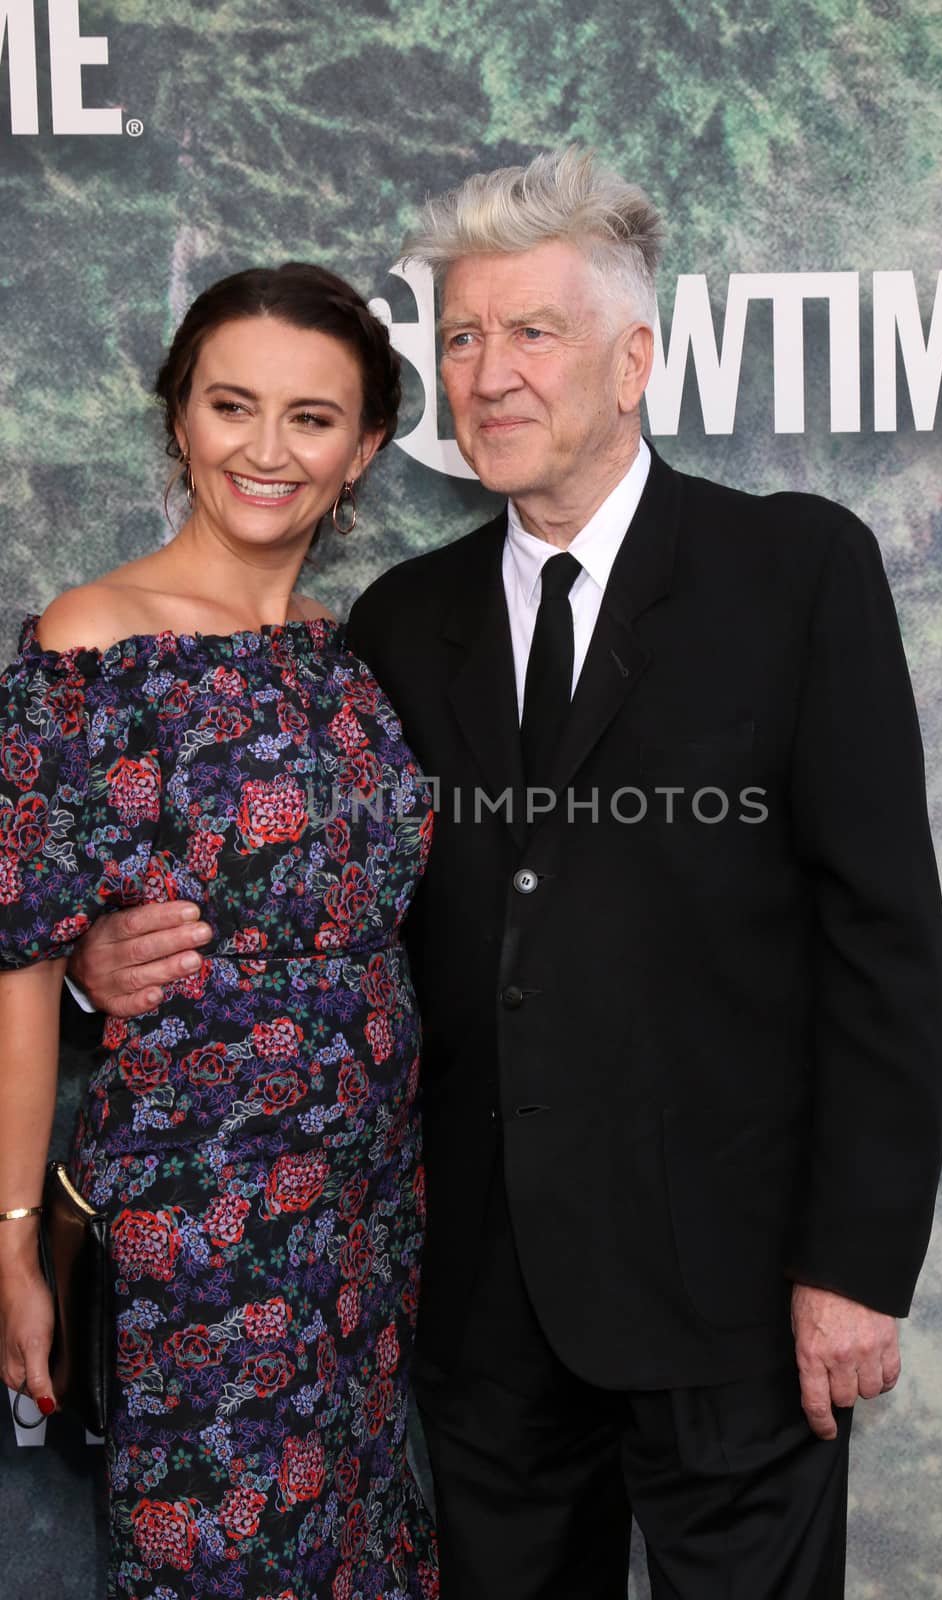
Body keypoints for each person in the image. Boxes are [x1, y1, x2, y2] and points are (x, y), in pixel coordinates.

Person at [66, 151, 942, 1599]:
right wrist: (110, 962)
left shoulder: (793, 572)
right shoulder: (402, 626)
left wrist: (853, 1266)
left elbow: (887, 948)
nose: (489, 376)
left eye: (533, 334)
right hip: (476, 1313)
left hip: (731, 1302)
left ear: (634, 359)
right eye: (462, 338)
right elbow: (314, 904)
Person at [0, 263, 437, 1600]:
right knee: (222, 1556)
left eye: (311, 418)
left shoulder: (346, 650)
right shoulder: (95, 636)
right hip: (200, 1214)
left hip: (370, 1206)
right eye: (230, 405)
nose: (266, 448)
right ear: (179, 421)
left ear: (361, 452)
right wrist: (12, 1235)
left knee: (361, 1547)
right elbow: (20, 952)